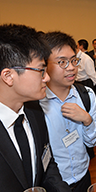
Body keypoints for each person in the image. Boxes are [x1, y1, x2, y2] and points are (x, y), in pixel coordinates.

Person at [0, 24, 71, 191]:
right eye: (40, 70)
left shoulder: (34, 111)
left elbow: (46, 163)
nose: (46, 78)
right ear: (9, 76)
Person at [40, 31, 96, 192]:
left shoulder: (86, 95)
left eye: (74, 60)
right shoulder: (35, 103)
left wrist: (87, 120)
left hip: (83, 176)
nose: (72, 68)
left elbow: (93, 142)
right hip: (51, 183)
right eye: (62, 62)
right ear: (44, 64)